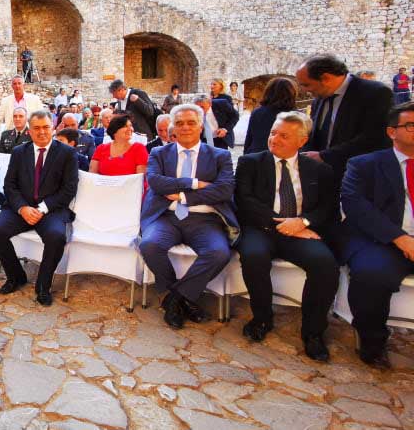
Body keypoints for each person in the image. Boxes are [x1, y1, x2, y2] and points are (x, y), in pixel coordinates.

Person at [235, 111, 338, 362]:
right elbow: (245, 201)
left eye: (284, 136)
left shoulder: (319, 169)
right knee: (253, 256)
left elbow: (328, 207)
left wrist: (303, 222)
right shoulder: (250, 162)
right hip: (262, 228)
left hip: (301, 231)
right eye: (273, 133)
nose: (275, 139)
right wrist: (282, 224)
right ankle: (262, 318)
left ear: (302, 141)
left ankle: (313, 332)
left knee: (325, 265)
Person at [139, 104, 238, 330]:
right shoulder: (159, 153)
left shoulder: (220, 155)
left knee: (218, 252)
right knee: (150, 245)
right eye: (180, 123)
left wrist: (184, 196)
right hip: (166, 217)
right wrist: (195, 183)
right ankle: (184, 299)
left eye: (191, 122)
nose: (185, 127)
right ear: (173, 127)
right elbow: (156, 182)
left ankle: (175, 298)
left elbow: (224, 190)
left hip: (205, 220)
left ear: (201, 126)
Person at [339, 101, 414, 368]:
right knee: (371, 275)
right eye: (411, 125)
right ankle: (372, 343)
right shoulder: (365, 164)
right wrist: (401, 238)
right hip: (381, 239)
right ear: (392, 132)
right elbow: (355, 204)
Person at [0, 110, 78, 306]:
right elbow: (9, 185)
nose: (42, 132)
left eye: (46, 127)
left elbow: (69, 189)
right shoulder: (19, 152)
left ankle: (43, 286)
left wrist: (43, 208)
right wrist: (22, 208)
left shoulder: (67, 153)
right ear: (29, 130)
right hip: (21, 207)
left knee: (56, 237)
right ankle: (16, 276)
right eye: (37, 128)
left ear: (53, 128)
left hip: (51, 210)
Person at [298, 53, 393, 181]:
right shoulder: (320, 96)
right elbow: (315, 134)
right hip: (320, 178)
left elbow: (375, 137)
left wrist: (326, 156)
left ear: (326, 78)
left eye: (306, 85)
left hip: (357, 177)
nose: (304, 91)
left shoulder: (375, 93)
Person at [244, 76, 297, 155]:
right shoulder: (296, 117)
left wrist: (246, 157)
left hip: (257, 155)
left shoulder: (257, 112)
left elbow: (249, 140)